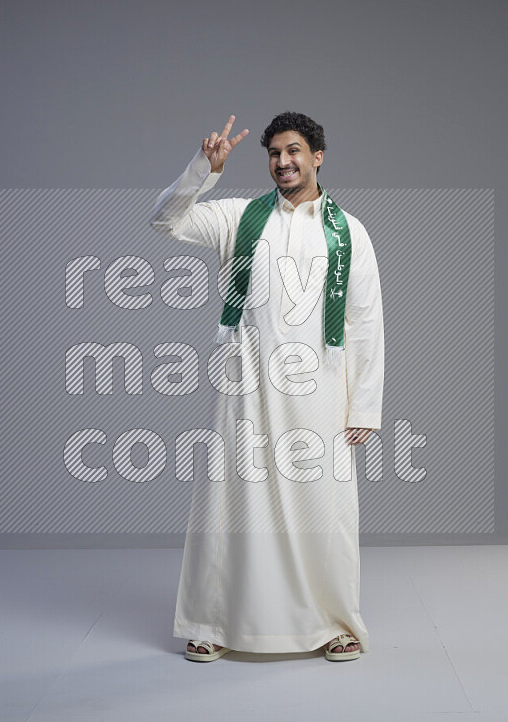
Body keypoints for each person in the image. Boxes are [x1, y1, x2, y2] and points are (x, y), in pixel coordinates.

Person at [149, 112, 384, 662]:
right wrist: (201, 172)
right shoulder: (238, 218)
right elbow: (165, 222)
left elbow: (364, 320)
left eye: (295, 150)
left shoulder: (348, 232)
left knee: (324, 508)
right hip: (246, 387)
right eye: (275, 153)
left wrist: (364, 404)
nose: (284, 161)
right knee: (230, 503)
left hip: (319, 391)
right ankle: (212, 622)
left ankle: (333, 622)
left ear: (318, 156)